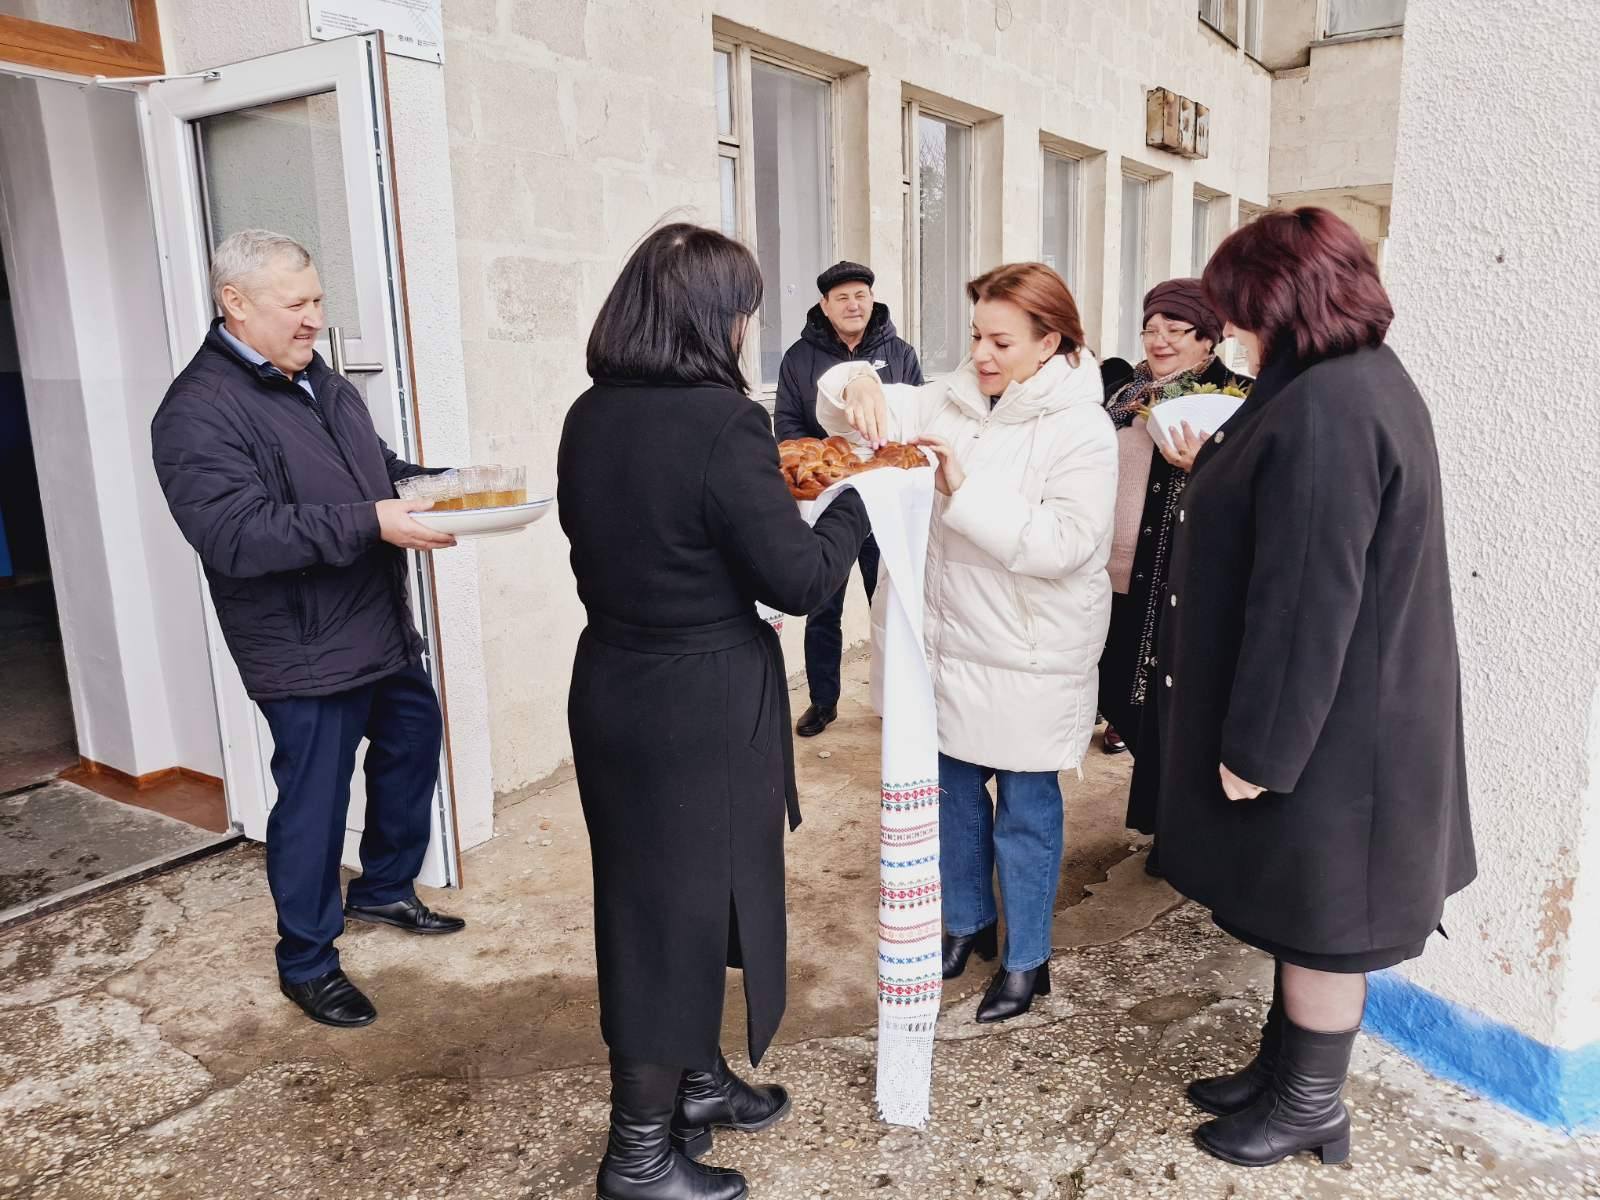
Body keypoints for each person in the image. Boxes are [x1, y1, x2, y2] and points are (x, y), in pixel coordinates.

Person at [1149, 208, 1476, 1167]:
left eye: (1236, 307)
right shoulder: (1340, 382)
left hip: (1336, 732)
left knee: (1327, 922)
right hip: (1343, 716)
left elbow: (1307, 599)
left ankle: (1310, 1106)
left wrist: (1259, 751)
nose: (1227, 327)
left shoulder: (1332, 404)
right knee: (1297, 910)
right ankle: (1280, 1069)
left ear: (1282, 299)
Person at [558, 224, 870, 1200]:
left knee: (665, 902)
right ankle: (638, 1156)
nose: (747, 327)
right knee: (669, 919)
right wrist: (856, 493)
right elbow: (799, 578)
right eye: (742, 309)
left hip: (614, 683)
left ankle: (695, 1085)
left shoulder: (589, 413)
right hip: (694, 703)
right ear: (709, 317)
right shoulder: (721, 422)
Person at [150, 230, 465, 1030]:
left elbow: (377, 472)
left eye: (317, 299)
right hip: (301, 646)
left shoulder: (320, 382)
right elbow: (236, 535)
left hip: (374, 623)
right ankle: (307, 960)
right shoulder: (196, 411)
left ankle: (384, 888)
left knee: (412, 744)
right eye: (295, 303)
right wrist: (373, 521)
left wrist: (446, 487)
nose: (314, 318)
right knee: (315, 803)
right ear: (235, 303)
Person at [818, 262, 1116, 1023]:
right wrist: (855, 379)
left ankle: (1027, 962)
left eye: (1001, 342)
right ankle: (967, 923)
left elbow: (1066, 543)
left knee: (1024, 809)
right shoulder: (944, 399)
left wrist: (961, 490)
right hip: (943, 644)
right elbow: (846, 405)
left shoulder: (1080, 427)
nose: (981, 354)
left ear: (1050, 342)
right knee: (950, 795)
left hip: (1027, 651)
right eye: (977, 334)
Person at [1099, 279, 1250, 876]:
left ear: (1208, 338)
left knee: (1167, 710)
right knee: (1115, 692)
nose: (1158, 340)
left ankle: (1181, 832)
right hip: (1108, 574)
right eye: (1150, 328)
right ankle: (1174, 819)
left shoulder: (1237, 397)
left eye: (1175, 329)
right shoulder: (1123, 394)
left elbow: (1255, 492)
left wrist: (1206, 465)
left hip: (1176, 581)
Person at [774, 261, 923, 738]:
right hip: (830, 502)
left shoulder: (899, 353)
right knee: (824, 605)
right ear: (825, 305)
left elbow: (916, 420)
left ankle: (895, 697)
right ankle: (823, 701)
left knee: (891, 602)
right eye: (842, 297)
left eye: (860, 295)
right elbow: (788, 426)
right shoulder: (800, 358)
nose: (853, 305)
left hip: (884, 500)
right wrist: (827, 464)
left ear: (872, 298)